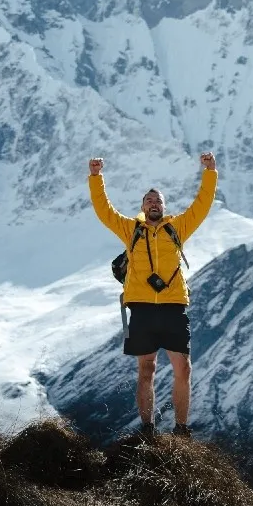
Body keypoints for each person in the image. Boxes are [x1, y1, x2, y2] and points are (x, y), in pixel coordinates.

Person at [88, 153, 218, 438]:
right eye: (149, 200)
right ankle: (148, 428)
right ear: (142, 207)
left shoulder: (178, 227)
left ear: (164, 206)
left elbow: (202, 204)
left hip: (173, 306)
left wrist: (210, 172)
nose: (153, 203)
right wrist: (96, 178)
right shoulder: (131, 229)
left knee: (183, 369)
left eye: (158, 200)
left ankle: (181, 429)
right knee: (146, 370)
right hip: (142, 308)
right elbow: (104, 211)